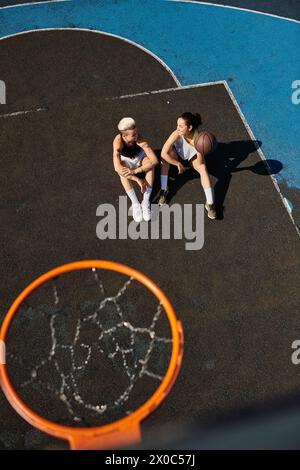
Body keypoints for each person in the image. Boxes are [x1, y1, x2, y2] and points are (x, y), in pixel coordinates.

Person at [160, 112, 217, 219]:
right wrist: (177, 163)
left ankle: (210, 203)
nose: (178, 128)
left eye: (181, 126)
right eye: (177, 125)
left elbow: (200, 162)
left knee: (203, 168)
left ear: (189, 127)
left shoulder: (199, 139)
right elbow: (163, 153)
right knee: (165, 158)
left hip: (191, 156)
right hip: (177, 154)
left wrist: (202, 151)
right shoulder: (176, 134)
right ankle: (164, 189)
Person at [113, 117, 158, 222]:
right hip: (126, 160)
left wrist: (136, 171)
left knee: (150, 166)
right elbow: (117, 168)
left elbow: (155, 161)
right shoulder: (118, 143)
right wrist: (138, 179)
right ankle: (135, 203)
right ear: (124, 136)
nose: (137, 136)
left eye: (137, 132)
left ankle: (145, 202)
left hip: (140, 157)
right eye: (133, 135)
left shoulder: (140, 140)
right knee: (122, 171)